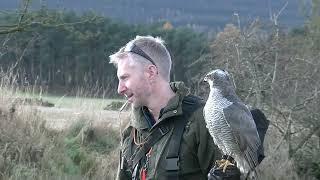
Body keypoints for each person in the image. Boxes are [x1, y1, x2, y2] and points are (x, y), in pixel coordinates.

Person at [109, 35, 242, 180]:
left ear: (151, 73)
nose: (119, 89)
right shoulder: (132, 132)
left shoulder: (204, 121)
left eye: (125, 78)